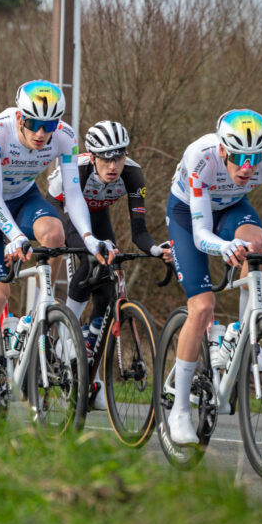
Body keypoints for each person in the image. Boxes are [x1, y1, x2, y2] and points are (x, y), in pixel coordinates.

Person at [163, 108, 262, 445]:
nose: (247, 167)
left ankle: (243, 330)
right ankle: (178, 409)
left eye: (254, 158)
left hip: (233, 205)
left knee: (257, 243)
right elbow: (201, 234)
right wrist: (223, 246)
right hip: (188, 214)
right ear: (223, 150)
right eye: (239, 157)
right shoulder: (201, 158)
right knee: (203, 307)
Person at [0, 79, 109, 413]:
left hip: (25, 197)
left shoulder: (66, 136)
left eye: (49, 125)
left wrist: (89, 239)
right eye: (33, 124)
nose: (42, 133)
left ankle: (36, 313)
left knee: (55, 235)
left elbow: (73, 195)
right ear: (19, 117)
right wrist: (14, 237)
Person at [45, 120, 172, 407]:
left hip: (97, 212)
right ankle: (66, 336)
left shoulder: (134, 176)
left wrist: (155, 249)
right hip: (61, 208)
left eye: (119, 156)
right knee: (93, 259)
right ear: (92, 157)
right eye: (105, 157)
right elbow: (65, 209)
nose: (113, 165)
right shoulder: (78, 170)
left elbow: (139, 231)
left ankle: (87, 349)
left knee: (108, 282)